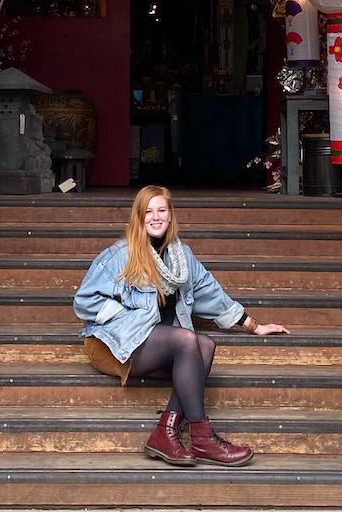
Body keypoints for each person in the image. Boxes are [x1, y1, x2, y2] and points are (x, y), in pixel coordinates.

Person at [72, 186, 289, 466]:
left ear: (171, 215)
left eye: (162, 210)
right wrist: (126, 318)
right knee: (187, 340)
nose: (156, 217)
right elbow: (84, 301)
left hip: (154, 345)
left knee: (206, 345)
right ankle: (204, 437)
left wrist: (253, 325)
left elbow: (210, 292)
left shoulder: (181, 257)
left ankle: (166, 432)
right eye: (148, 212)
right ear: (138, 218)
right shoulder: (121, 255)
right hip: (113, 346)